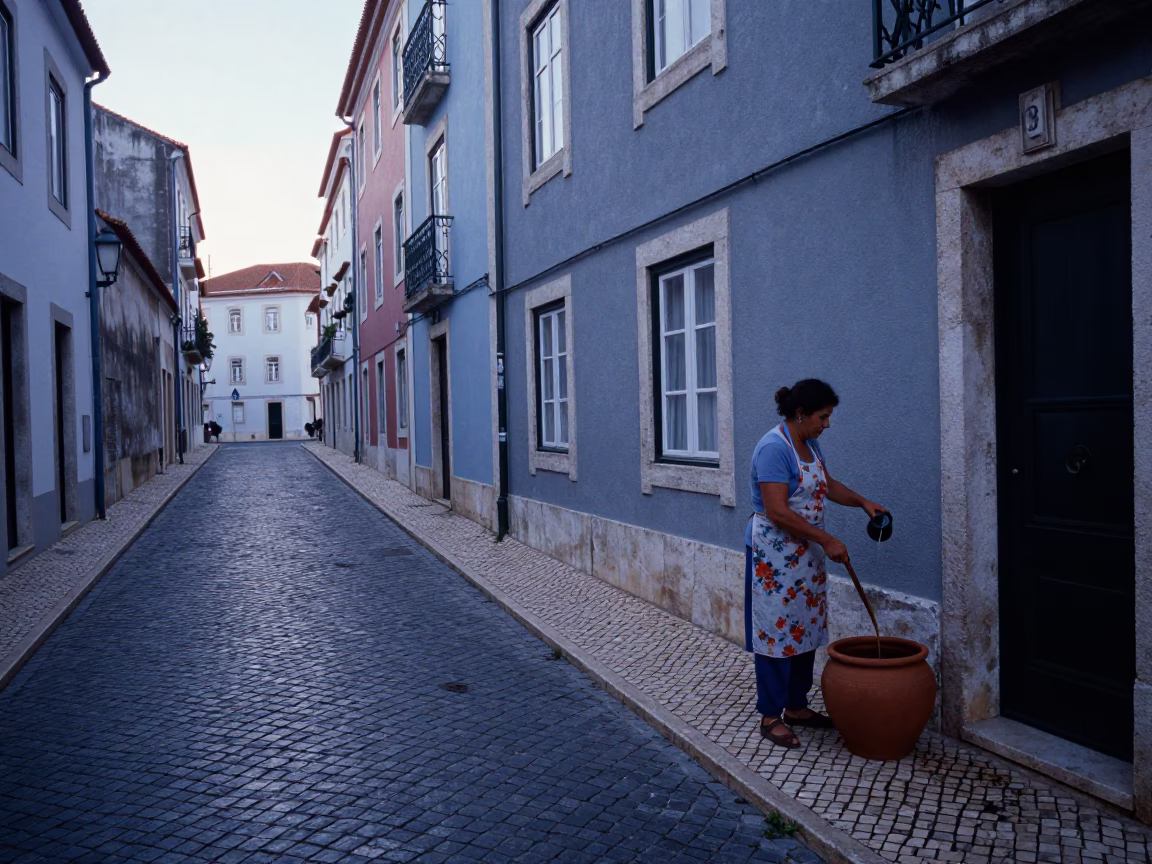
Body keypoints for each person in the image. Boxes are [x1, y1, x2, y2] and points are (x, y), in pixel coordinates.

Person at [746, 379, 886, 748]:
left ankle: (796, 706)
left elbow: (825, 483)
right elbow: (776, 510)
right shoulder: (773, 449)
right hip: (774, 558)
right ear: (800, 413)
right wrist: (827, 539)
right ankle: (770, 715)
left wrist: (863, 502)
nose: (827, 425)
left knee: (805, 629)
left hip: (806, 555)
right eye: (823, 417)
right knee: (777, 633)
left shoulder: (809, 443)